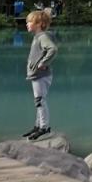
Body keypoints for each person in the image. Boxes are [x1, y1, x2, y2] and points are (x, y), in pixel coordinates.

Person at [22, 8, 58, 140]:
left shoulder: (42, 37)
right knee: (38, 101)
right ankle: (38, 126)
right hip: (37, 75)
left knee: (40, 101)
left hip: (41, 75)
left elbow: (52, 49)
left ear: (39, 24)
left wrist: (43, 63)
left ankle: (44, 128)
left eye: (29, 22)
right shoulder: (38, 37)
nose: (27, 24)